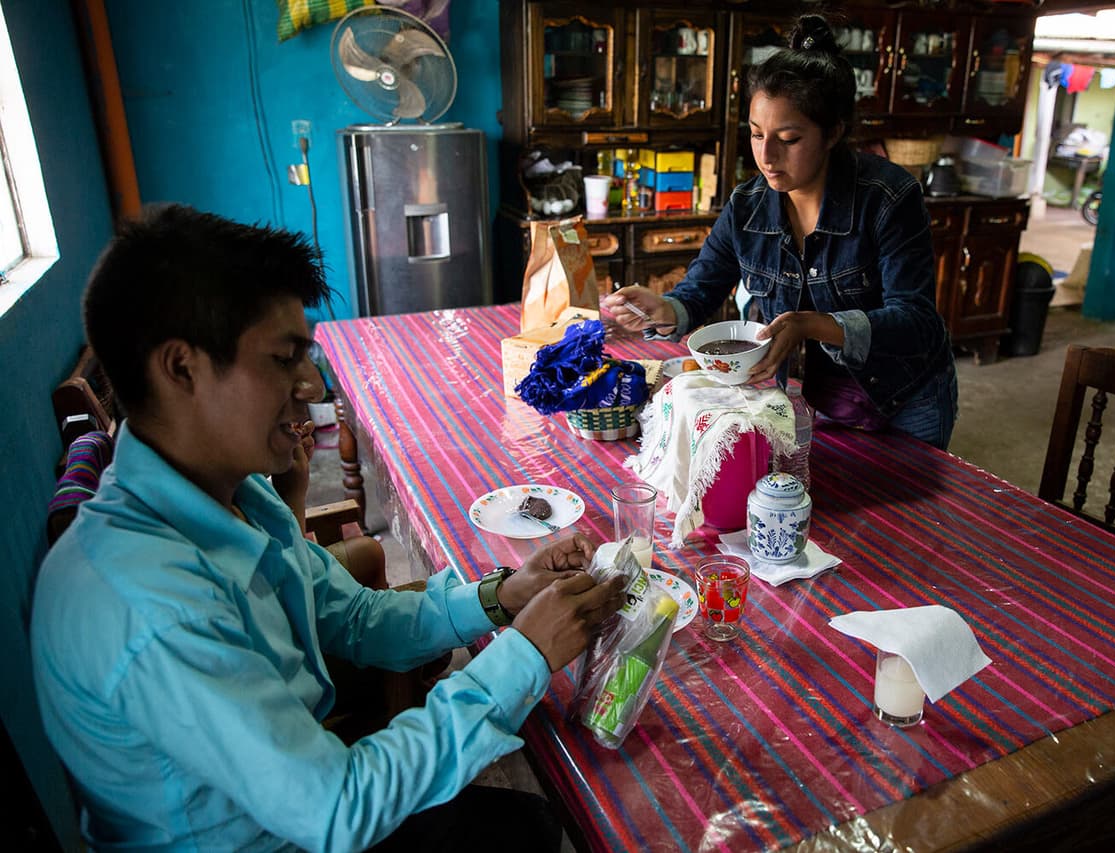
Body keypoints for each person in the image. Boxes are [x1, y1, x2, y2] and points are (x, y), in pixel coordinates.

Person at [30, 204, 625, 852]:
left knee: (523, 824)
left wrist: (502, 597)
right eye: (285, 359)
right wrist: (527, 654)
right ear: (182, 368)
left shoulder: (233, 496)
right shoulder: (148, 602)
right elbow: (339, 809)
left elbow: (358, 619)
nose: (312, 385)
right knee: (541, 825)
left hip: (294, 808)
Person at [606, 15, 958, 450]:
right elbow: (701, 288)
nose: (767, 156)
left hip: (905, 396)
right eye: (756, 135)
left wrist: (810, 324)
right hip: (821, 397)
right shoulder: (747, 206)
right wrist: (667, 308)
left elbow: (916, 322)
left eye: (788, 139)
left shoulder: (888, 198)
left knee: (914, 514)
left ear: (833, 133)